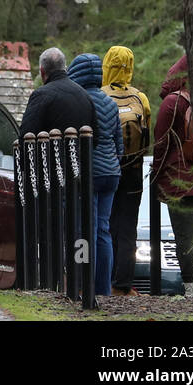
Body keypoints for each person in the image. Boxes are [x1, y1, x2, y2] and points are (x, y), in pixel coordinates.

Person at [68, 52, 123, 297]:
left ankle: (82, 285)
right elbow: (119, 144)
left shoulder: (78, 101)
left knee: (83, 229)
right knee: (103, 230)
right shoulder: (110, 103)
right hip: (111, 173)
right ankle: (103, 289)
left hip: (88, 173)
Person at [102, 45, 151, 297]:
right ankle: (123, 284)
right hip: (133, 170)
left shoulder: (100, 96)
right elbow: (148, 137)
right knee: (128, 227)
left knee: (106, 224)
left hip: (108, 167)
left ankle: (104, 280)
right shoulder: (140, 98)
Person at [153, 53, 193, 299]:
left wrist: (156, 175)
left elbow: (160, 143)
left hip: (177, 181)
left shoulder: (172, 103)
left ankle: (191, 289)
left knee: (185, 238)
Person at [18, 47, 94, 136]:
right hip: (81, 150)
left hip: (49, 149)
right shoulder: (84, 95)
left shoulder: (40, 95)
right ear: (65, 69)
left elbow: (26, 136)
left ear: (42, 71)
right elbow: (95, 136)